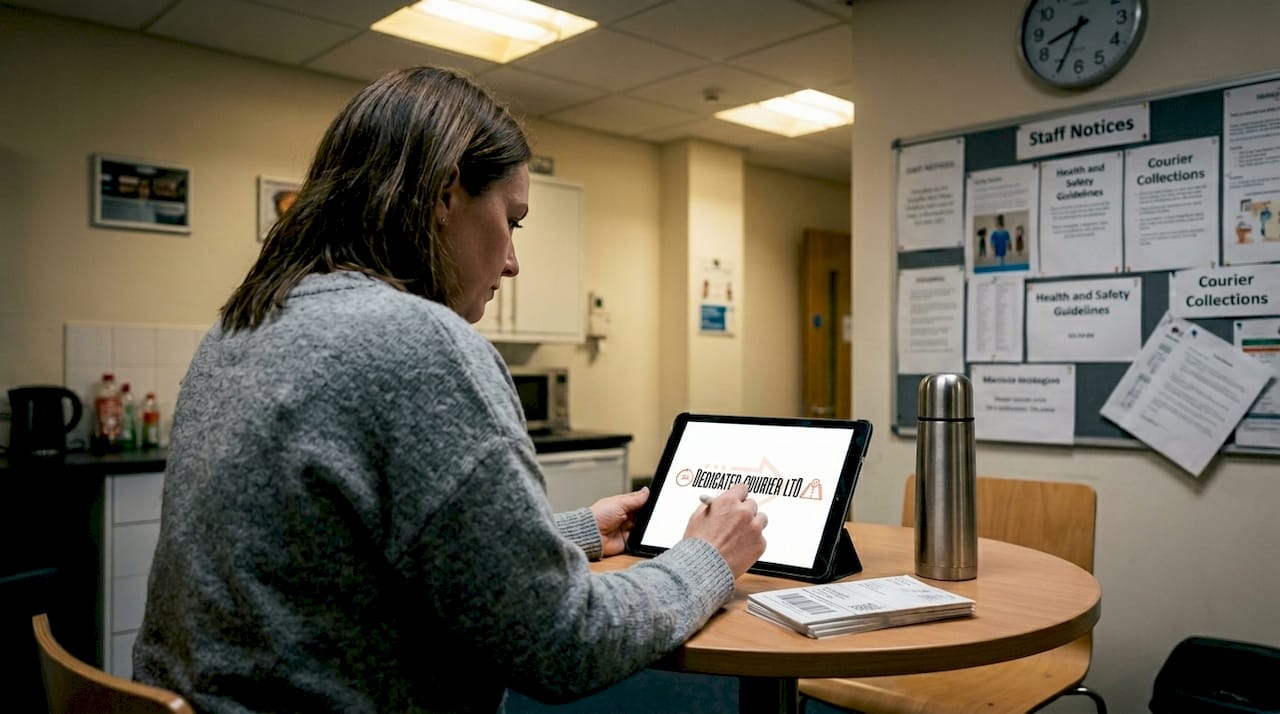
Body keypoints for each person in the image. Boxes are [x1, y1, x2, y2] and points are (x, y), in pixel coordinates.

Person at [132, 65, 768, 714]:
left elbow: (346, 561)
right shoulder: (419, 341)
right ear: (444, 195)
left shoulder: (245, 323)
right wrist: (707, 557)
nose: (514, 261)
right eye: (513, 221)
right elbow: (564, 643)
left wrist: (573, 534)